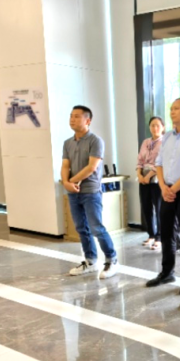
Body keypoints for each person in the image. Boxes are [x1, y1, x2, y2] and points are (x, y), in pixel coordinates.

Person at [145, 98, 180, 295]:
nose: (172, 112)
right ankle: (167, 272)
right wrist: (162, 185)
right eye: (171, 108)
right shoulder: (167, 137)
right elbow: (158, 163)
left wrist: (173, 189)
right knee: (166, 232)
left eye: (176, 109)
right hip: (165, 189)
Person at [61, 105, 118, 279]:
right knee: (81, 228)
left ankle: (112, 260)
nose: (72, 119)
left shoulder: (95, 141)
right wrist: (66, 183)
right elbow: (65, 166)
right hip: (73, 192)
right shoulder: (68, 143)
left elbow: (92, 167)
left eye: (77, 116)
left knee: (96, 228)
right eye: (71, 116)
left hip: (90, 191)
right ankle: (90, 261)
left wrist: (71, 181)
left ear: (88, 120)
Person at [136, 116, 165, 250]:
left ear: (163, 127)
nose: (155, 128)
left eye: (158, 125)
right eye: (152, 125)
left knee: (158, 208)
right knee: (146, 207)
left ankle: (159, 237)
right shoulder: (145, 142)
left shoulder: (164, 142)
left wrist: (148, 176)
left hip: (157, 178)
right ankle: (151, 235)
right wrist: (139, 175)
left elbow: (161, 162)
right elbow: (139, 160)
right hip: (143, 178)